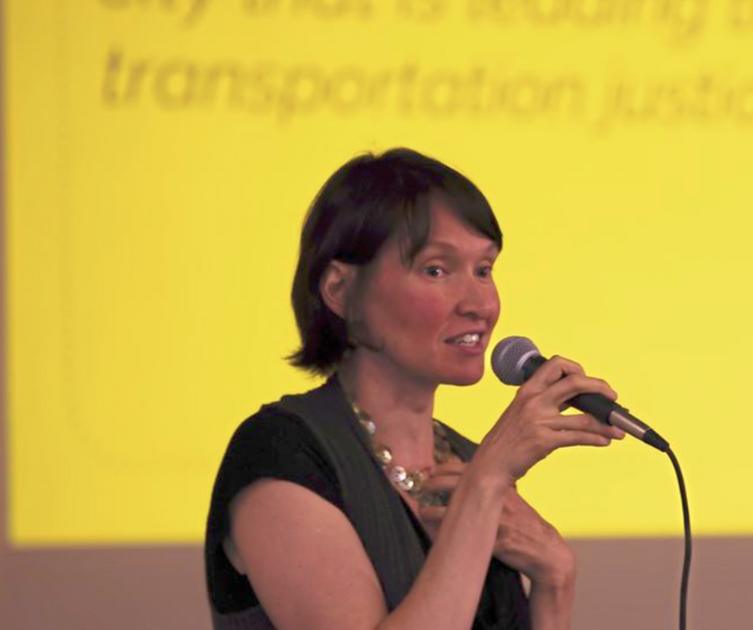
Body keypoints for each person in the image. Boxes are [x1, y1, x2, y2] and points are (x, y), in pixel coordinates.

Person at [204, 148, 625, 630]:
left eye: (484, 270)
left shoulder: (466, 462)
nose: (480, 304)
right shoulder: (282, 455)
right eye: (436, 270)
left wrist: (556, 577)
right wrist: (485, 482)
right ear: (340, 290)